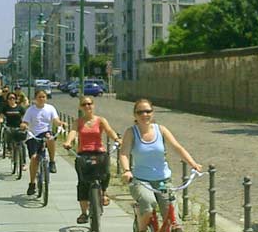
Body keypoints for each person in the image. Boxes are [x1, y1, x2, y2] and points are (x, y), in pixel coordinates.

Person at [119, 98, 202, 232]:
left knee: (173, 218)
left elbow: (177, 147)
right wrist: (127, 170)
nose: (144, 115)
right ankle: (141, 229)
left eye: (148, 111)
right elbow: (124, 154)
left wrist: (193, 164)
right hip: (141, 181)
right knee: (148, 204)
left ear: (153, 113)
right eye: (140, 112)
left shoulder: (161, 130)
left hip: (163, 181)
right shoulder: (131, 132)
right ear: (135, 115)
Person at [62, 96, 122, 224]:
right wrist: (68, 141)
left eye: (89, 104)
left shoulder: (100, 120)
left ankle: (104, 192)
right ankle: (84, 213)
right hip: (83, 154)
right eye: (84, 104)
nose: (87, 106)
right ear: (80, 107)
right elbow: (73, 132)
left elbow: (109, 130)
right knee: (83, 182)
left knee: (106, 172)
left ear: (93, 105)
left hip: (99, 152)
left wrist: (116, 139)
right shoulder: (78, 122)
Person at [21, 90, 66, 195]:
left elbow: (55, 120)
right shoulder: (31, 110)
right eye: (39, 97)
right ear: (35, 98)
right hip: (33, 136)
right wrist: (24, 125)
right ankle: (32, 183)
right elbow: (25, 122)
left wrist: (61, 123)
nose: (42, 99)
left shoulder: (50, 108)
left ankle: (52, 162)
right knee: (34, 159)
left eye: (44, 97)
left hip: (46, 133)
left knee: (50, 138)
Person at [0, 92, 27, 170]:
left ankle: (23, 163)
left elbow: (25, 117)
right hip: (9, 126)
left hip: (19, 127)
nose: (12, 100)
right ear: (7, 100)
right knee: (7, 132)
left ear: (16, 99)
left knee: (22, 145)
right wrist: (0, 120)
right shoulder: (5, 108)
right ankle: (9, 148)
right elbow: (1, 116)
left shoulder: (20, 108)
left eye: (13, 98)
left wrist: (25, 124)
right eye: (10, 98)